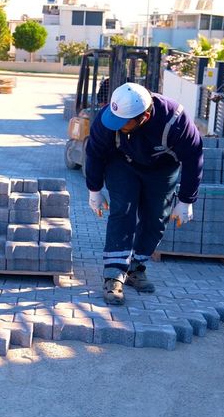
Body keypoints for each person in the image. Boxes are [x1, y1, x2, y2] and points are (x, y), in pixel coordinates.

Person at [85, 82, 203, 305]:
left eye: (124, 123)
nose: (117, 125)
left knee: (156, 218)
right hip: (122, 163)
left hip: (162, 168)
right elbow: (94, 152)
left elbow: (193, 157)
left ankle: (135, 268)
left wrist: (187, 199)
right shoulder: (108, 118)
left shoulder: (175, 120)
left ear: (144, 117)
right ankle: (113, 275)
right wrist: (94, 189)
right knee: (123, 210)